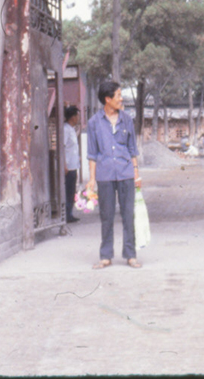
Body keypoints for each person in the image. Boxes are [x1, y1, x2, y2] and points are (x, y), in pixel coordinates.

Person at [85, 79, 141, 269]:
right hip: (105, 175)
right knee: (106, 216)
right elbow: (92, 154)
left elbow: (132, 148)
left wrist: (136, 173)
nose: (121, 98)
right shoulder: (93, 122)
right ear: (107, 99)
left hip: (126, 173)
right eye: (118, 95)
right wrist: (92, 179)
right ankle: (106, 255)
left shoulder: (127, 119)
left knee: (128, 215)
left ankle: (130, 255)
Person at [62, 105, 81, 223]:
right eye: (77, 115)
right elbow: (62, 147)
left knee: (72, 191)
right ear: (72, 117)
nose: (78, 118)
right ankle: (66, 214)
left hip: (74, 166)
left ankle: (70, 213)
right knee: (68, 190)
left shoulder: (72, 129)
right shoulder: (65, 129)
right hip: (68, 167)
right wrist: (64, 164)